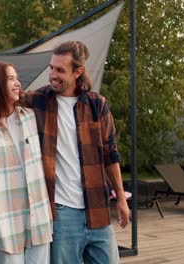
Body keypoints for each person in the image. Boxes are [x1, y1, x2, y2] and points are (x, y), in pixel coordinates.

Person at [23, 41, 130, 264]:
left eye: (60, 70)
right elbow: (1, 102)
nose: (53, 74)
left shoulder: (97, 105)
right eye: (51, 68)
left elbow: (111, 154)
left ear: (78, 71)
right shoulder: (38, 101)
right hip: (62, 214)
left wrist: (121, 198)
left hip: (98, 209)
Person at [0, 62, 53, 264]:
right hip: (5, 226)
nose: (18, 83)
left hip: (38, 221)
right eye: (11, 79)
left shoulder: (30, 117)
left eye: (17, 78)